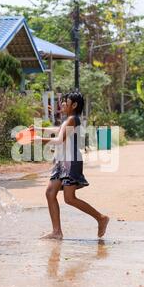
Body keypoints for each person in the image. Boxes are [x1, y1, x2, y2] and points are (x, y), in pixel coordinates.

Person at [31, 92, 109, 239]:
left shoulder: (73, 119)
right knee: (50, 193)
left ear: (74, 105)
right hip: (61, 161)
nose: (63, 104)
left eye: (66, 102)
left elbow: (60, 139)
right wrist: (39, 130)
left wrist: (38, 139)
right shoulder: (68, 119)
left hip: (71, 162)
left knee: (70, 198)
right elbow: (58, 131)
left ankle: (101, 218)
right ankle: (56, 232)